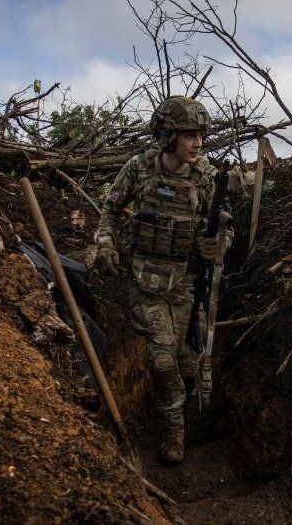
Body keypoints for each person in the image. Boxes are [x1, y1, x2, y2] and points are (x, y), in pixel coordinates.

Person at [94, 96, 227, 464]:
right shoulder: (139, 169)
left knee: (186, 358)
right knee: (163, 359)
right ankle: (174, 434)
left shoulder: (207, 177)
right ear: (168, 136)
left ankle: (198, 418)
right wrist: (104, 243)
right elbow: (110, 210)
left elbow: (222, 226)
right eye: (188, 135)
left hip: (183, 282)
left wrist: (214, 244)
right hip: (144, 278)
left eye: (200, 134)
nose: (197, 142)